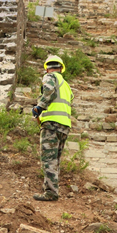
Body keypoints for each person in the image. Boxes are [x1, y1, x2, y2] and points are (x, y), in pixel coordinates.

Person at [30, 55, 73, 201]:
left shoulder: (50, 77)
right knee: (55, 160)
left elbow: (49, 91)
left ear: (47, 68)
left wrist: (39, 107)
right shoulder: (66, 85)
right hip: (64, 126)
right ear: (61, 68)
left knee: (48, 159)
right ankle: (52, 190)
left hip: (51, 124)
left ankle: (51, 193)